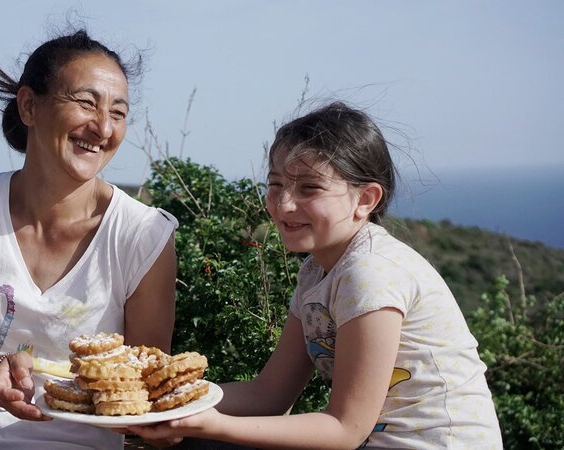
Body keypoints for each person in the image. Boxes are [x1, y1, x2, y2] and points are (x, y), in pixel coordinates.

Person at [127, 102, 502, 449]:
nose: (284, 203)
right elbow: (268, 394)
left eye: (309, 187)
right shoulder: (316, 271)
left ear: (365, 200)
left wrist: (211, 425)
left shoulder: (369, 272)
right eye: (276, 184)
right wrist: (165, 402)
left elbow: (346, 428)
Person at [0, 29, 178, 450]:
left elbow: (142, 384)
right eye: (86, 103)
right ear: (29, 106)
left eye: (118, 112)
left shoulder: (144, 234)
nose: (103, 127)